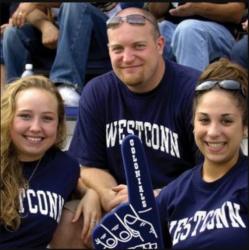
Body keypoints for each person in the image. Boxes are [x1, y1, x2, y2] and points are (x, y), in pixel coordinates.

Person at [68, 7, 202, 213]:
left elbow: (214, 169)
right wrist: (105, 194)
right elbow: (89, 165)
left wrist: (153, 197)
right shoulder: (97, 92)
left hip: (182, 204)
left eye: (138, 46)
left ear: (159, 45)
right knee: (72, 222)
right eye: (118, 49)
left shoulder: (194, 91)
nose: (127, 58)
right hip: (122, 207)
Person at [156, 58, 248, 250]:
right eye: (204, 120)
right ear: (193, 124)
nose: (213, 132)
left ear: (245, 127)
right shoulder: (172, 194)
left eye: (227, 121)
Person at [0, 75, 101, 248]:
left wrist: (91, 194)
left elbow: (79, 185)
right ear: (8, 117)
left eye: (47, 118)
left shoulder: (65, 167)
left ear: (59, 124)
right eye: (25, 116)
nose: (36, 127)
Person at [2, 2, 121, 107]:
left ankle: (66, 84)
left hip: (107, 37)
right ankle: (15, 95)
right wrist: (45, 26)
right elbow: (22, 10)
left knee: (75, 5)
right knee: (13, 32)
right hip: (62, 42)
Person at [147, 2, 246, 71]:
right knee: (151, 32)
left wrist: (196, 8)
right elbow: (155, 12)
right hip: (173, 27)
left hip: (219, 31)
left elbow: (236, 14)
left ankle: (193, 97)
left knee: (189, 30)